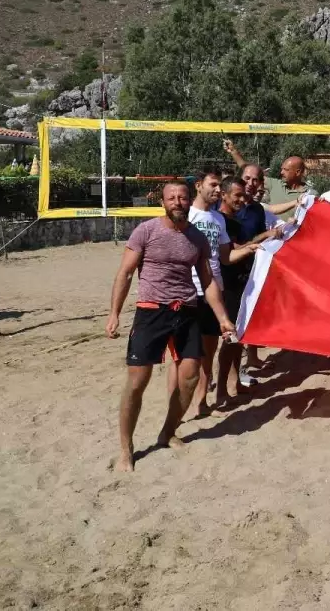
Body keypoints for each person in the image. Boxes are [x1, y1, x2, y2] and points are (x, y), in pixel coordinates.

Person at [106, 182, 235, 472]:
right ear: (162, 201)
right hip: (151, 312)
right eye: (171, 197)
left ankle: (168, 432)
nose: (177, 201)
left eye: (182, 197)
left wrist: (223, 317)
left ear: (190, 200)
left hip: (186, 311)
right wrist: (114, 313)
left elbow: (207, 281)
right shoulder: (147, 231)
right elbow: (125, 273)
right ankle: (126, 449)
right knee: (138, 381)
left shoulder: (197, 238)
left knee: (189, 377)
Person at [187, 168, 260, 417]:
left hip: (213, 291)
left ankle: (201, 401)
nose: (218, 190)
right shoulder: (187, 215)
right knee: (189, 355)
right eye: (214, 185)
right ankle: (183, 406)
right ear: (199, 185)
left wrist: (252, 248)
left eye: (219, 186)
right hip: (188, 291)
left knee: (209, 350)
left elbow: (226, 257)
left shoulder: (217, 221)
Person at [217, 176, 282, 407]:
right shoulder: (220, 220)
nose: (242, 199)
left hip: (242, 281)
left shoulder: (234, 220)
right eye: (237, 195)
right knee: (230, 340)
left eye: (243, 195)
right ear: (224, 194)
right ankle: (220, 391)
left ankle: (233, 384)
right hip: (227, 285)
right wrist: (261, 240)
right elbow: (233, 251)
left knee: (238, 338)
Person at [223, 140, 307, 221]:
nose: (281, 172)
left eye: (286, 169)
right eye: (282, 169)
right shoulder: (275, 184)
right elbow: (248, 170)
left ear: (298, 172)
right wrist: (234, 151)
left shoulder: (309, 194)